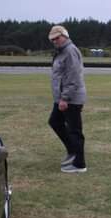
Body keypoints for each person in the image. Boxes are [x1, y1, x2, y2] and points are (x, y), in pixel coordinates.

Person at [47, 25, 88, 173]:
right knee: (55, 121)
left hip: (71, 98)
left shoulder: (70, 51)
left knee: (74, 130)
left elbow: (73, 77)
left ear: (65, 35)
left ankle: (79, 164)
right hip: (62, 98)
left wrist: (65, 98)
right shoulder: (61, 51)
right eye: (52, 39)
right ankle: (73, 151)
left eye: (57, 38)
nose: (55, 41)